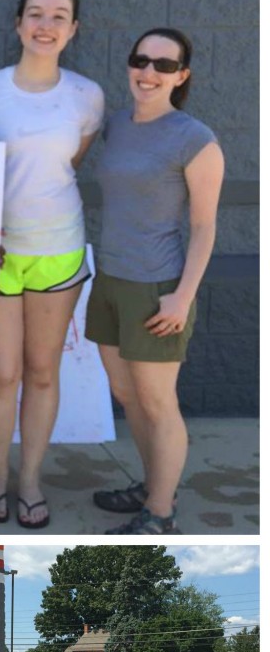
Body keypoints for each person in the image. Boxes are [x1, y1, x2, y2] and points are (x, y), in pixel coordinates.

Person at [0, 0, 104, 529]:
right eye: (36, 14)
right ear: (18, 23)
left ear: (72, 30)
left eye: (59, 16)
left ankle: (31, 479)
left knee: (42, 372)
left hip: (57, 251)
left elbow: (71, 165)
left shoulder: (87, 96)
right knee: (0, 375)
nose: (46, 25)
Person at [86, 27, 225, 534]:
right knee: (127, 395)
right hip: (110, 280)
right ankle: (151, 487)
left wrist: (182, 298)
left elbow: (206, 226)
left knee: (158, 402)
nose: (149, 72)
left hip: (157, 287)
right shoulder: (117, 125)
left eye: (164, 65)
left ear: (181, 76)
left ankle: (162, 515)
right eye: (140, 60)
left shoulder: (195, 138)